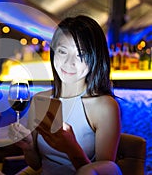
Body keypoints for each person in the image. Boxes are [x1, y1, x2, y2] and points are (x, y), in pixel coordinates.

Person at [9, 15, 122, 174]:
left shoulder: (105, 106)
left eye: (80, 55)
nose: (69, 62)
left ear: (95, 58)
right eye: (62, 51)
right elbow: (36, 165)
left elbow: (107, 171)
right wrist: (28, 148)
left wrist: (71, 148)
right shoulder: (40, 100)